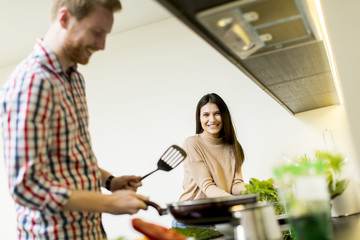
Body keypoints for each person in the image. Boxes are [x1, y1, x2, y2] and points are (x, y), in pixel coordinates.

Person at [0, 0, 148, 239]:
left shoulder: (74, 79)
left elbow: (68, 155)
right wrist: (108, 203)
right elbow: (26, 186)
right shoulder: (32, 82)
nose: (102, 45)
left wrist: (110, 182)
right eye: (97, 32)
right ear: (65, 18)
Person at [172, 93, 245, 228]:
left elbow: (236, 185)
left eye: (217, 114)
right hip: (190, 219)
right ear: (199, 119)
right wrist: (236, 203)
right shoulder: (192, 143)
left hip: (217, 218)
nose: (212, 119)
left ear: (224, 116)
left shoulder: (233, 147)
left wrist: (259, 189)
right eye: (206, 115)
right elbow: (207, 187)